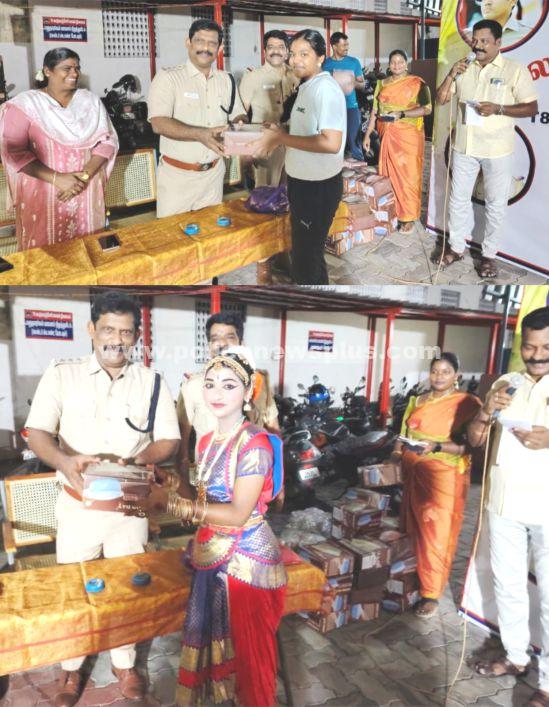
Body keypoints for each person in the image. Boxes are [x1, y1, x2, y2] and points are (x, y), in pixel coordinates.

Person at [25, 290, 180, 707]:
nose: (117, 339)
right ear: (92, 329)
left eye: (126, 332)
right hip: (78, 506)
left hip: (129, 508)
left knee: (128, 587)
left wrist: (140, 460)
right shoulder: (62, 374)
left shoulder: (152, 382)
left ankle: (124, 664)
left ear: (136, 337)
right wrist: (65, 461)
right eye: (108, 329)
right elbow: (37, 433)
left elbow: (168, 439)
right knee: (76, 589)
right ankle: (71, 668)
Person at [135, 349, 287, 707]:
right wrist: (174, 485)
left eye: (229, 385)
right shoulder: (206, 441)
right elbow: (206, 501)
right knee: (220, 653)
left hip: (246, 563)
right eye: (210, 384)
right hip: (211, 551)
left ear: (248, 392)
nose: (216, 393)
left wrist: (170, 505)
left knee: (250, 662)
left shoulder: (255, 444)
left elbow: (236, 514)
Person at [467, 307, 549, 707]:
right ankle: (516, 657)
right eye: (530, 347)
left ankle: (547, 684)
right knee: (508, 585)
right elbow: (475, 439)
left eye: (546, 347)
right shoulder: (507, 382)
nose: (537, 356)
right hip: (503, 504)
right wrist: (486, 410)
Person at [434, 19, 538, 279]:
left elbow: (531, 107)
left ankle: (489, 256)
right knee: (458, 200)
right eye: (475, 40)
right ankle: (456, 248)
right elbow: (441, 99)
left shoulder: (514, 70)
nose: (477, 45)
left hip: (497, 151)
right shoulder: (463, 68)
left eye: (484, 41)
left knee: (495, 205)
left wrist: (499, 109)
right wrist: (451, 74)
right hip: (464, 147)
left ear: (498, 43)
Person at [0, 47, 118, 251]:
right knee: (45, 256)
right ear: (47, 71)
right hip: (44, 192)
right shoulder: (25, 105)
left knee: (89, 249)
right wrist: (57, 179)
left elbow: (107, 142)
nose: (75, 73)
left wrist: (83, 177)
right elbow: (14, 152)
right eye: (67, 68)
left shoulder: (90, 102)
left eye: (77, 68)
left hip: (85, 189)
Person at [253, 29, 346, 285]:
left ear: (321, 57)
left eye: (304, 54)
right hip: (302, 183)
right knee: (309, 254)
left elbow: (331, 143)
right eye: (293, 54)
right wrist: (280, 130)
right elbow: (304, 131)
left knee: (305, 263)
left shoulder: (325, 89)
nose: (295, 60)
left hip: (317, 188)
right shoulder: (307, 85)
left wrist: (280, 138)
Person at [394, 353, 481, 618]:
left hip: (444, 475)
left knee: (436, 534)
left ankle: (431, 593)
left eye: (445, 371)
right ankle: (408, 581)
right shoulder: (417, 400)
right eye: (434, 371)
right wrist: (395, 456)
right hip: (413, 470)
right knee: (411, 528)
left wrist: (436, 447)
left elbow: (470, 445)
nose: (439, 376)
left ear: (457, 375)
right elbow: (403, 435)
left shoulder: (467, 403)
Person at [147, 19, 247, 218]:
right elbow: (158, 123)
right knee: (173, 234)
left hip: (214, 175)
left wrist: (241, 127)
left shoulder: (227, 80)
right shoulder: (168, 78)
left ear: (220, 48)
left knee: (211, 231)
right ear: (188, 42)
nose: (205, 48)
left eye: (212, 43)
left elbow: (238, 113)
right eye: (200, 41)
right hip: (177, 177)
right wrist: (200, 134)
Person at [176, 312, 279, 485]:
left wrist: (277, 480)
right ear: (209, 346)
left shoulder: (259, 384)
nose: (222, 344)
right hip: (210, 484)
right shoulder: (193, 386)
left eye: (230, 337)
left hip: (255, 481)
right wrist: (184, 484)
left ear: (241, 344)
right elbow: (182, 440)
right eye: (215, 338)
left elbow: (273, 429)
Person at [363, 49, 432, 234]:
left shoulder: (417, 83)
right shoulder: (381, 83)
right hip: (387, 134)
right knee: (388, 175)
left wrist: (402, 114)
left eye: (400, 62)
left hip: (409, 136)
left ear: (406, 64)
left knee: (408, 176)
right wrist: (367, 134)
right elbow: (375, 111)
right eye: (393, 62)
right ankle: (391, 212)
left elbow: (427, 109)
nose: (397, 65)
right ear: (389, 64)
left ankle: (408, 217)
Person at [238, 29, 298, 187]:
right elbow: (241, 115)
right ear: (265, 51)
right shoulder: (253, 77)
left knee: (290, 191)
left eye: (281, 47)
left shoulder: (295, 75)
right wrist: (244, 153)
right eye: (271, 47)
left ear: (287, 51)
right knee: (265, 193)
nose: (276, 51)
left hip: (292, 143)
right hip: (266, 145)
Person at [323, 32, 365, 162]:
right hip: (332, 109)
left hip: (351, 107)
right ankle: (335, 169)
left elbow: (362, 85)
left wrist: (352, 82)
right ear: (334, 46)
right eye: (344, 45)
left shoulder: (354, 62)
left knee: (354, 141)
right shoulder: (325, 64)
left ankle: (359, 168)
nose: (347, 48)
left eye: (347, 45)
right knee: (333, 142)